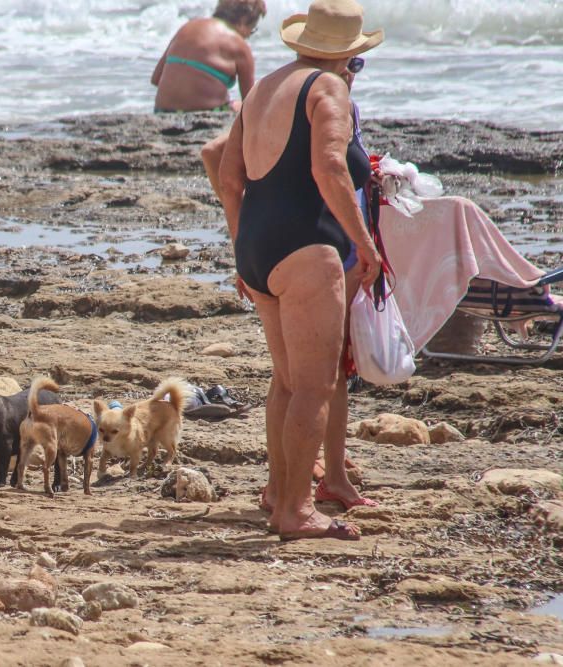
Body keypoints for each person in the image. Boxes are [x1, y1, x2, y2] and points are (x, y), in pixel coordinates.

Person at [216, 0, 384, 541]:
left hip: (259, 250)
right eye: (355, 62)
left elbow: (226, 174)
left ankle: (279, 494)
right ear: (347, 57)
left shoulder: (264, 87)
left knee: (288, 382)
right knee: (315, 386)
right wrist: (365, 244)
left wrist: (241, 244)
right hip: (308, 250)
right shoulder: (326, 88)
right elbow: (330, 167)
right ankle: (296, 510)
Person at [151, 0, 266, 114]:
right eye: (252, 30)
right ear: (243, 20)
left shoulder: (187, 27)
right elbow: (250, 104)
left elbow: (156, 79)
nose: (248, 36)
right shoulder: (239, 46)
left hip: (162, 112)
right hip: (204, 115)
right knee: (238, 105)